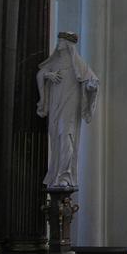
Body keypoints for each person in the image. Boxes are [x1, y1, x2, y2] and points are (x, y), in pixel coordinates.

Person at [36, 32, 99, 188]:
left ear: (69, 45)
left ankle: (66, 175)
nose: (59, 43)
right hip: (55, 105)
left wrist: (91, 88)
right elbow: (40, 73)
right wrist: (48, 75)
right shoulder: (55, 62)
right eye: (59, 40)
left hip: (70, 106)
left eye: (62, 41)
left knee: (67, 135)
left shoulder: (78, 64)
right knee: (55, 137)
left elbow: (91, 81)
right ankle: (55, 174)